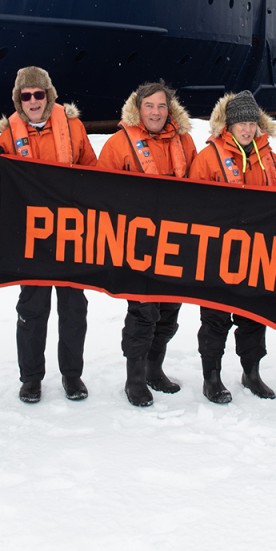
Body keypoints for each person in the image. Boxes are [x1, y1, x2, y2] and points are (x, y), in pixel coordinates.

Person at [0, 65, 97, 402]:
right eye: (27, 95)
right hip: (32, 237)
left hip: (71, 234)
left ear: (49, 95)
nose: (34, 100)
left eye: (39, 94)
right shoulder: (8, 135)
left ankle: (72, 375)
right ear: (18, 99)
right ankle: (31, 378)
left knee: (73, 308)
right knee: (33, 309)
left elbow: (93, 173)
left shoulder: (74, 127)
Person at [98, 81, 198, 406]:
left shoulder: (185, 142)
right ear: (138, 109)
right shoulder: (118, 144)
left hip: (176, 242)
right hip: (137, 244)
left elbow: (202, 189)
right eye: (149, 106)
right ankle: (135, 378)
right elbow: (101, 194)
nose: (155, 112)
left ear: (169, 110)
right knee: (143, 313)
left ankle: (155, 369)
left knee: (169, 311)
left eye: (161, 106)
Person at [188, 91, 276, 403]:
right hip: (217, 253)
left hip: (258, 253)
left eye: (251, 122)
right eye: (240, 121)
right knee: (215, 318)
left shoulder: (271, 158)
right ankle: (211, 376)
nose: (246, 128)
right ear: (228, 124)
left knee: (253, 316)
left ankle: (251, 371)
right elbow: (192, 206)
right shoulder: (207, 158)